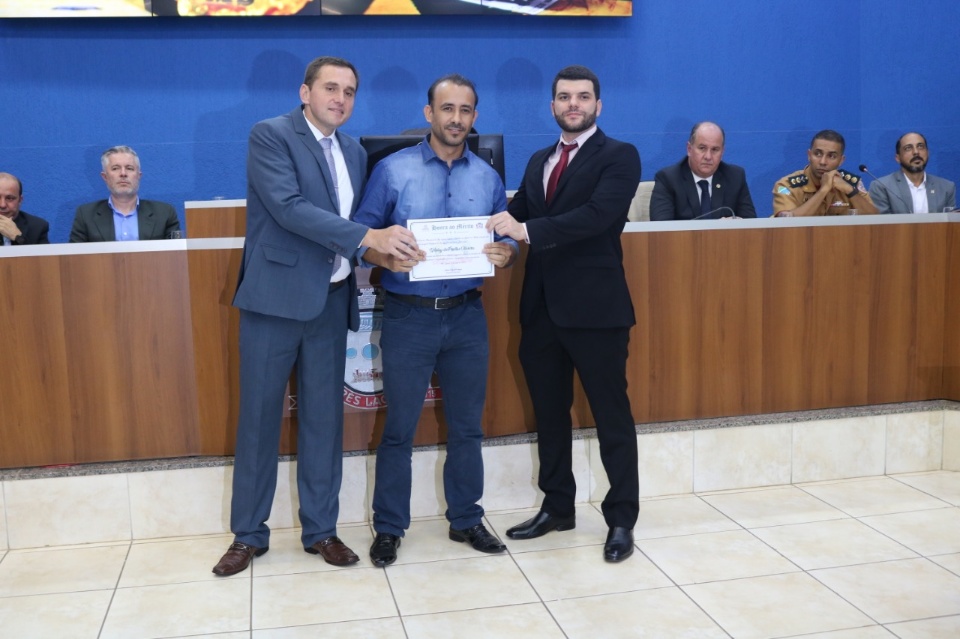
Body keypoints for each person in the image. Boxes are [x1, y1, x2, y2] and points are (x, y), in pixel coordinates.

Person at [212, 56, 420, 577]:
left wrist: (380, 252)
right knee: (259, 420)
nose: (340, 99)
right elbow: (289, 207)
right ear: (305, 92)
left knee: (324, 421)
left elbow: (352, 227)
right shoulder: (271, 135)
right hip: (274, 301)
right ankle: (248, 535)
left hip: (331, 301)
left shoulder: (353, 150)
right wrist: (368, 237)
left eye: (349, 91)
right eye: (330, 88)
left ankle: (321, 530)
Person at [353, 74, 517, 567]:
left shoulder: (487, 177)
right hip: (410, 318)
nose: (456, 119)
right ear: (429, 113)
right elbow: (361, 236)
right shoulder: (392, 170)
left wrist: (506, 253)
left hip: (467, 317)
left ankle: (466, 519)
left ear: (475, 117)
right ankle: (389, 528)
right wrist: (384, 256)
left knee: (467, 427)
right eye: (447, 109)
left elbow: (504, 236)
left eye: (465, 110)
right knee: (399, 429)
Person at [486, 65, 641, 563]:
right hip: (541, 310)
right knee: (550, 415)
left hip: (597, 311)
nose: (574, 104)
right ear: (552, 105)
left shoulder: (619, 156)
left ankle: (621, 519)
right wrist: (480, 236)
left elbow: (598, 217)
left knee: (611, 416)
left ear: (598, 105)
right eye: (564, 97)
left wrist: (526, 231)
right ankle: (557, 508)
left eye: (583, 96)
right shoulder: (539, 160)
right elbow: (518, 216)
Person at [69, 146, 181, 242]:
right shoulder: (86, 215)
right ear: (105, 177)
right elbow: (74, 257)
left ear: (138, 176)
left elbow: (177, 255)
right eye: (115, 168)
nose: (123, 173)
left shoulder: (164, 213)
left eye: (129, 168)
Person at [649, 121, 756, 220]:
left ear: (722, 152)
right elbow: (662, 228)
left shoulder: (735, 177)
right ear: (689, 149)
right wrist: (717, 228)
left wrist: (736, 223)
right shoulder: (668, 179)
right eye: (702, 148)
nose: (708, 156)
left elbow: (751, 224)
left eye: (715, 149)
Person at [772, 130, 877, 217]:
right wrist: (824, 190)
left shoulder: (851, 183)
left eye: (831, 156)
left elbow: (875, 219)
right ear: (809, 155)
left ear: (841, 160)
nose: (823, 162)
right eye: (817, 154)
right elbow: (786, 223)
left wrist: (849, 190)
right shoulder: (786, 185)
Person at [868, 132, 956, 214]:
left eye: (920, 146)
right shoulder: (882, 187)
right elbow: (882, 223)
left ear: (927, 153)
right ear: (898, 158)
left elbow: (951, 223)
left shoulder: (946, 188)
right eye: (908, 148)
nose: (916, 152)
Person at [0, 172, 49, 245]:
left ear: (20, 200)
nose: (2, 205)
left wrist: (18, 238)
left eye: (10, 198)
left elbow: (41, 253)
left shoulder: (37, 227)